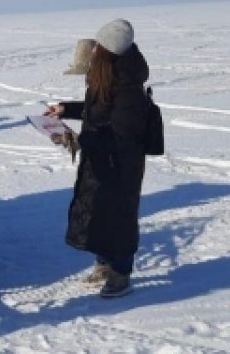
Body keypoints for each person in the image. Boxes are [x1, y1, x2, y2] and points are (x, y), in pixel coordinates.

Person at [44, 19, 150, 298]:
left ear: (109, 50)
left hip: (120, 166)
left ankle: (121, 274)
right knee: (98, 214)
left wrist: (82, 140)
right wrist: (65, 109)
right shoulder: (108, 73)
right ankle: (104, 264)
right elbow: (97, 112)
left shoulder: (129, 86)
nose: (93, 50)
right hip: (100, 159)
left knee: (120, 218)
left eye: (98, 46)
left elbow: (122, 135)